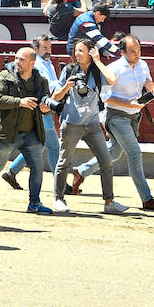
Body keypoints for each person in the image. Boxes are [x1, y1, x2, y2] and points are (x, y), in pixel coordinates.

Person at [70, 35, 154, 211]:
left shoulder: (143, 65)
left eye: (139, 51)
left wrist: (150, 90)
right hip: (116, 116)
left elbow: (148, 89)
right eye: (132, 52)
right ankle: (147, 198)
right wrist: (128, 103)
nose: (137, 55)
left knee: (113, 153)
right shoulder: (114, 68)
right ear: (122, 52)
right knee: (134, 153)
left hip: (134, 116)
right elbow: (105, 97)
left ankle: (81, 171)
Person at [0, 45, 54, 214]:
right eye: (16, 58)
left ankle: (34, 203)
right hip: (8, 132)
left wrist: (47, 108)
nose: (17, 62)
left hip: (31, 132)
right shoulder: (5, 75)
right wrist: (19, 102)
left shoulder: (40, 80)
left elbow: (45, 102)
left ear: (32, 63)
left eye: (21, 59)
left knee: (38, 168)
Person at [48, 38, 125, 215]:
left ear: (91, 52)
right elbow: (56, 97)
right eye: (76, 50)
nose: (77, 54)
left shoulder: (97, 71)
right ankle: (58, 198)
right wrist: (67, 86)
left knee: (106, 161)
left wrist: (98, 60)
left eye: (82, 51)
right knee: (64, 161)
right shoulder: (69, 70)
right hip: (71, 122)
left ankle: (109, 202)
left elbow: (113, 80)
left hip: (92, 124)